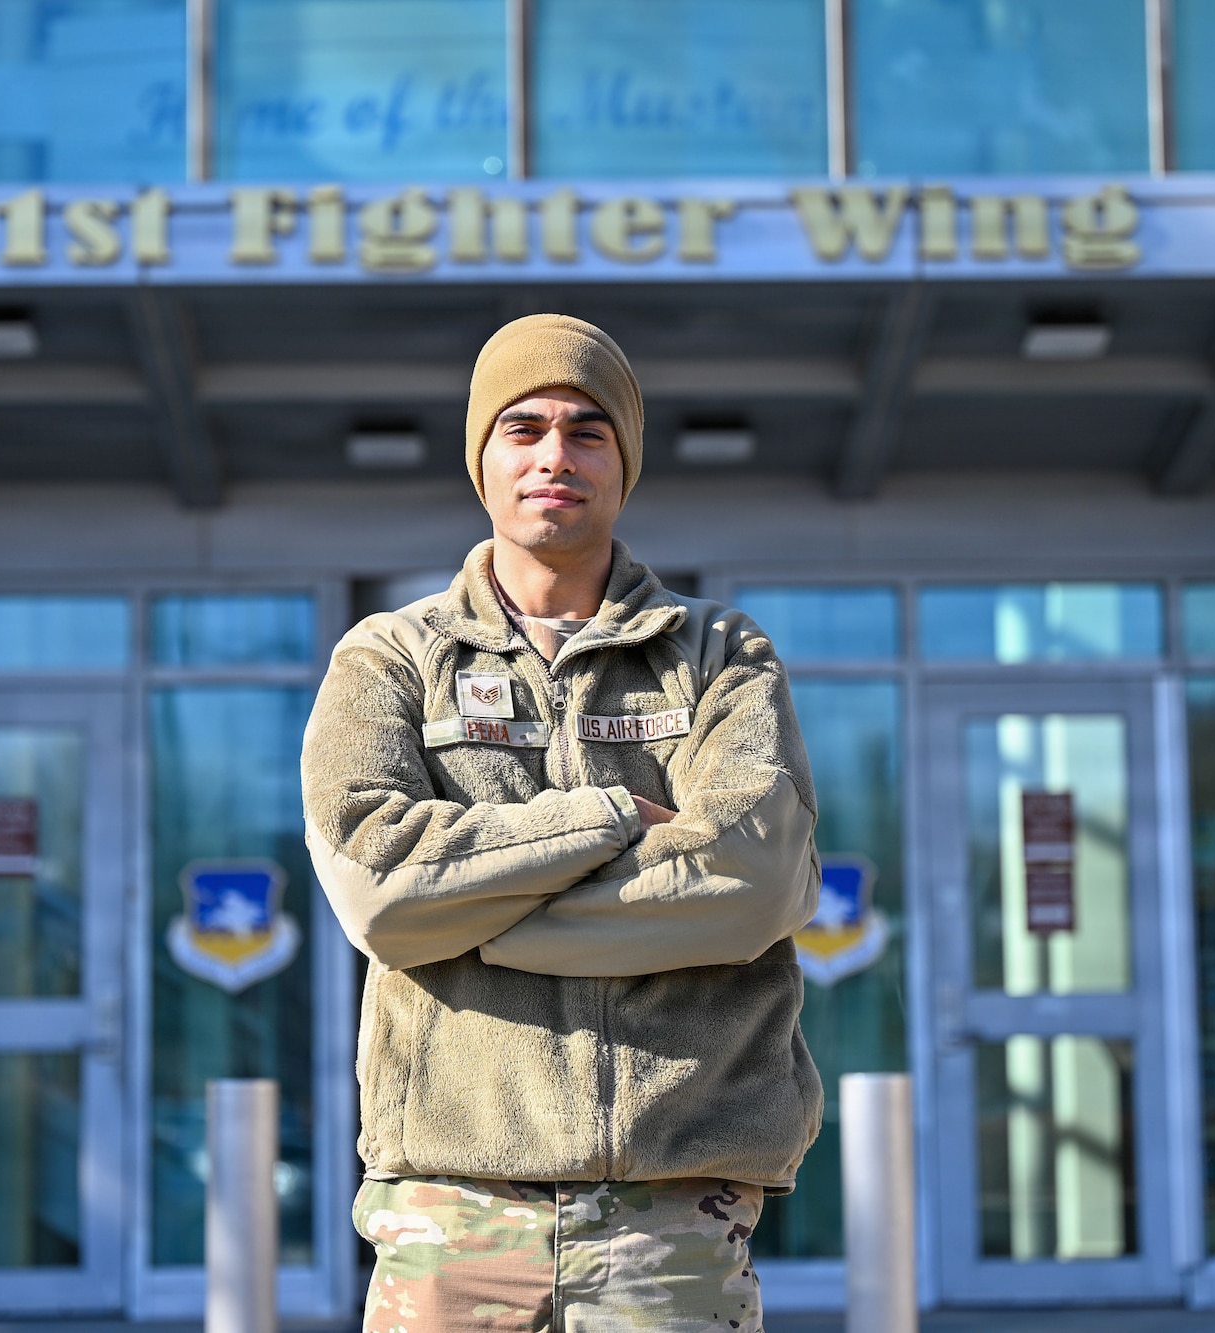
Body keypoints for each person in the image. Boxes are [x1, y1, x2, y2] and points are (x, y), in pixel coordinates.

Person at [301, 313, 824, 1332]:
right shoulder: (392, 658)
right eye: (523, 426)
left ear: (623, 461)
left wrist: (473, 918)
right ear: (480, 459)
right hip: (450, 1216)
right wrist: (610, 817)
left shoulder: (717, 652)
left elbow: (752, 882)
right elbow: (380, 888)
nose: (554, 455)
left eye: (587, 430)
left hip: (672, 1219)